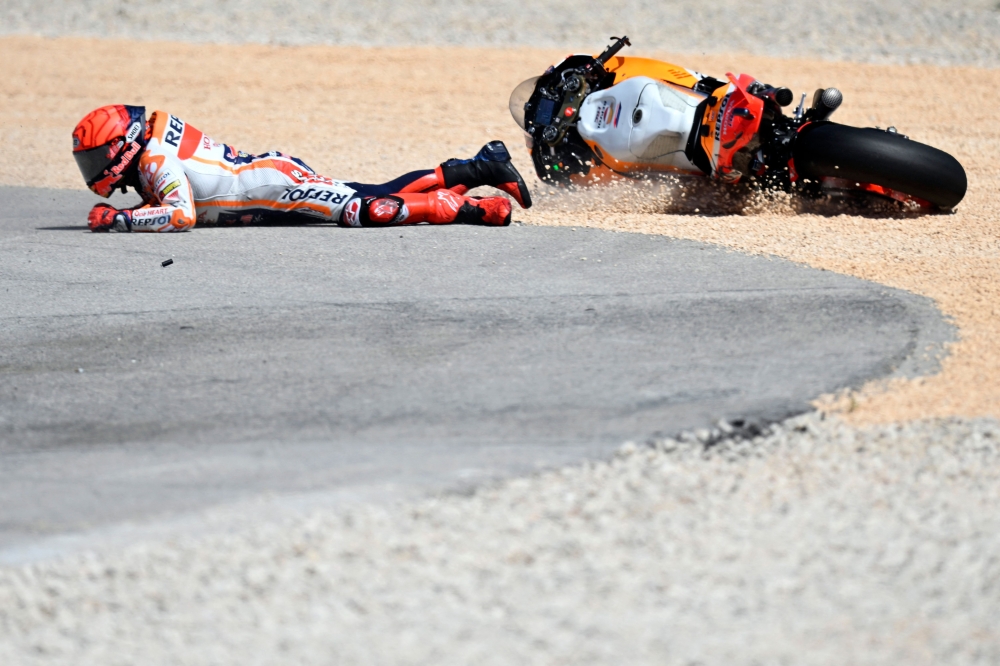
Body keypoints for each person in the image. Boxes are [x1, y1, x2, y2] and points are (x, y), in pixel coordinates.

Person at [72, 105, 532, 232]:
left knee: (369, 210)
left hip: (275, 187)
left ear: (124, 146)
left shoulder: (154, 160)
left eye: (97, 158)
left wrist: (121, 220)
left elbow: (180, 216)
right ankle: (475, 167)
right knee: (369, 191)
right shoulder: (154, 145)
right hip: (269, 181)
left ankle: (473, 209)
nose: (95, 171)